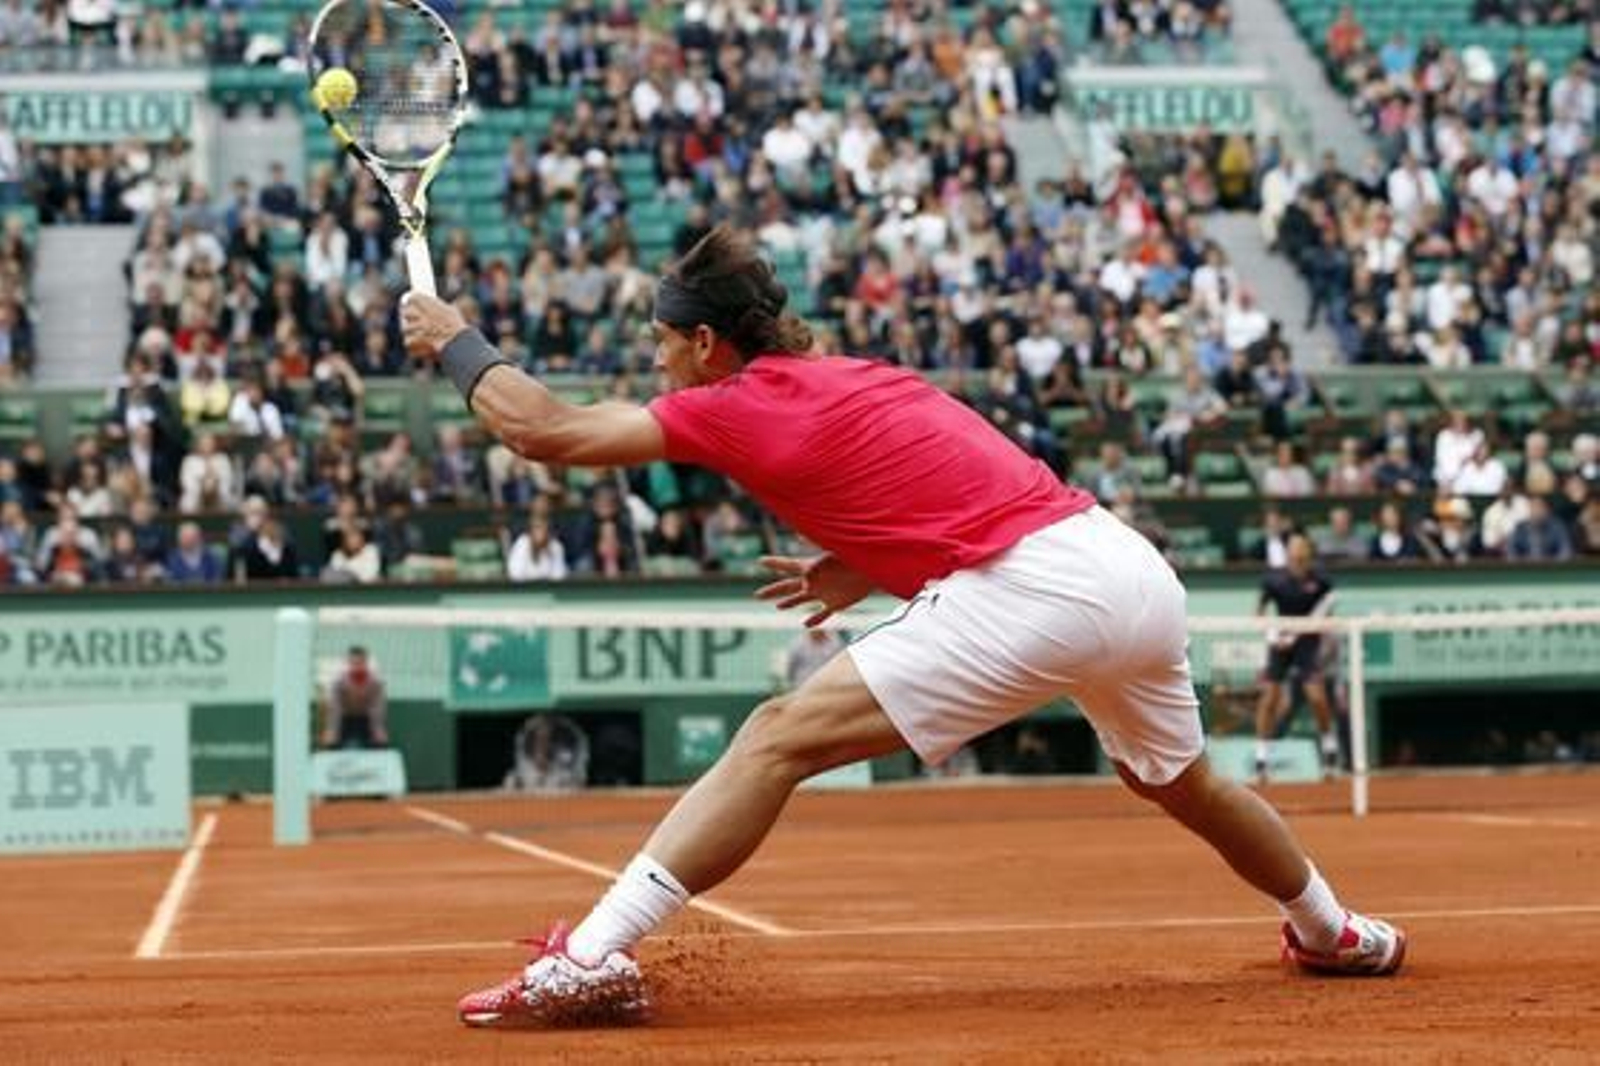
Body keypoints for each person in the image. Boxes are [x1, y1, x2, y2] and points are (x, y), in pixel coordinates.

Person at [400, 225, 1405, 1029]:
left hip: (1037, 588)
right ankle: (1333, 929)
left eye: (664, 343)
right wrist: (857, 565)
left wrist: (455, 342)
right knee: (1179, 780)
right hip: (1126, 568)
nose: (657, 361)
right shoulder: (857, 374)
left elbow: (547, 431)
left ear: (707, 343)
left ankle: (587, 957)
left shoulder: (732, 401)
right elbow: (948, 480)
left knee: (774, 737)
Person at [1253, 533, 1341, 784]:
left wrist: (1301, 633)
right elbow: (1258, 613)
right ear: (1288, 553)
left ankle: (1329, 751)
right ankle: (1261, 760)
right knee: (1270, 695)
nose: (1297, 554)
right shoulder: (1273, 580)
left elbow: (1326, 613)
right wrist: (1273, 635)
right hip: (1279, 643)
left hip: (1308, 643)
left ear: (1308, 553)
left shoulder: (1322, 580)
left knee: (1317, 697)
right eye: (1292, 549)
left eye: (1301, 549)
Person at [319, 645, 390, 749]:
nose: (357, 666)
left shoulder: (376, 684)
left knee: (380, 741)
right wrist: (332, 731)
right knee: (330, 741)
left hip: (366, 720)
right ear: (348, 663)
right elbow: (335, 709)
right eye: (353, 663)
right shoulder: (339, 683)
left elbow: (377, 709)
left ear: (366, 662)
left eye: (361, 662)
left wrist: (378, 730)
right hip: (344, 719)